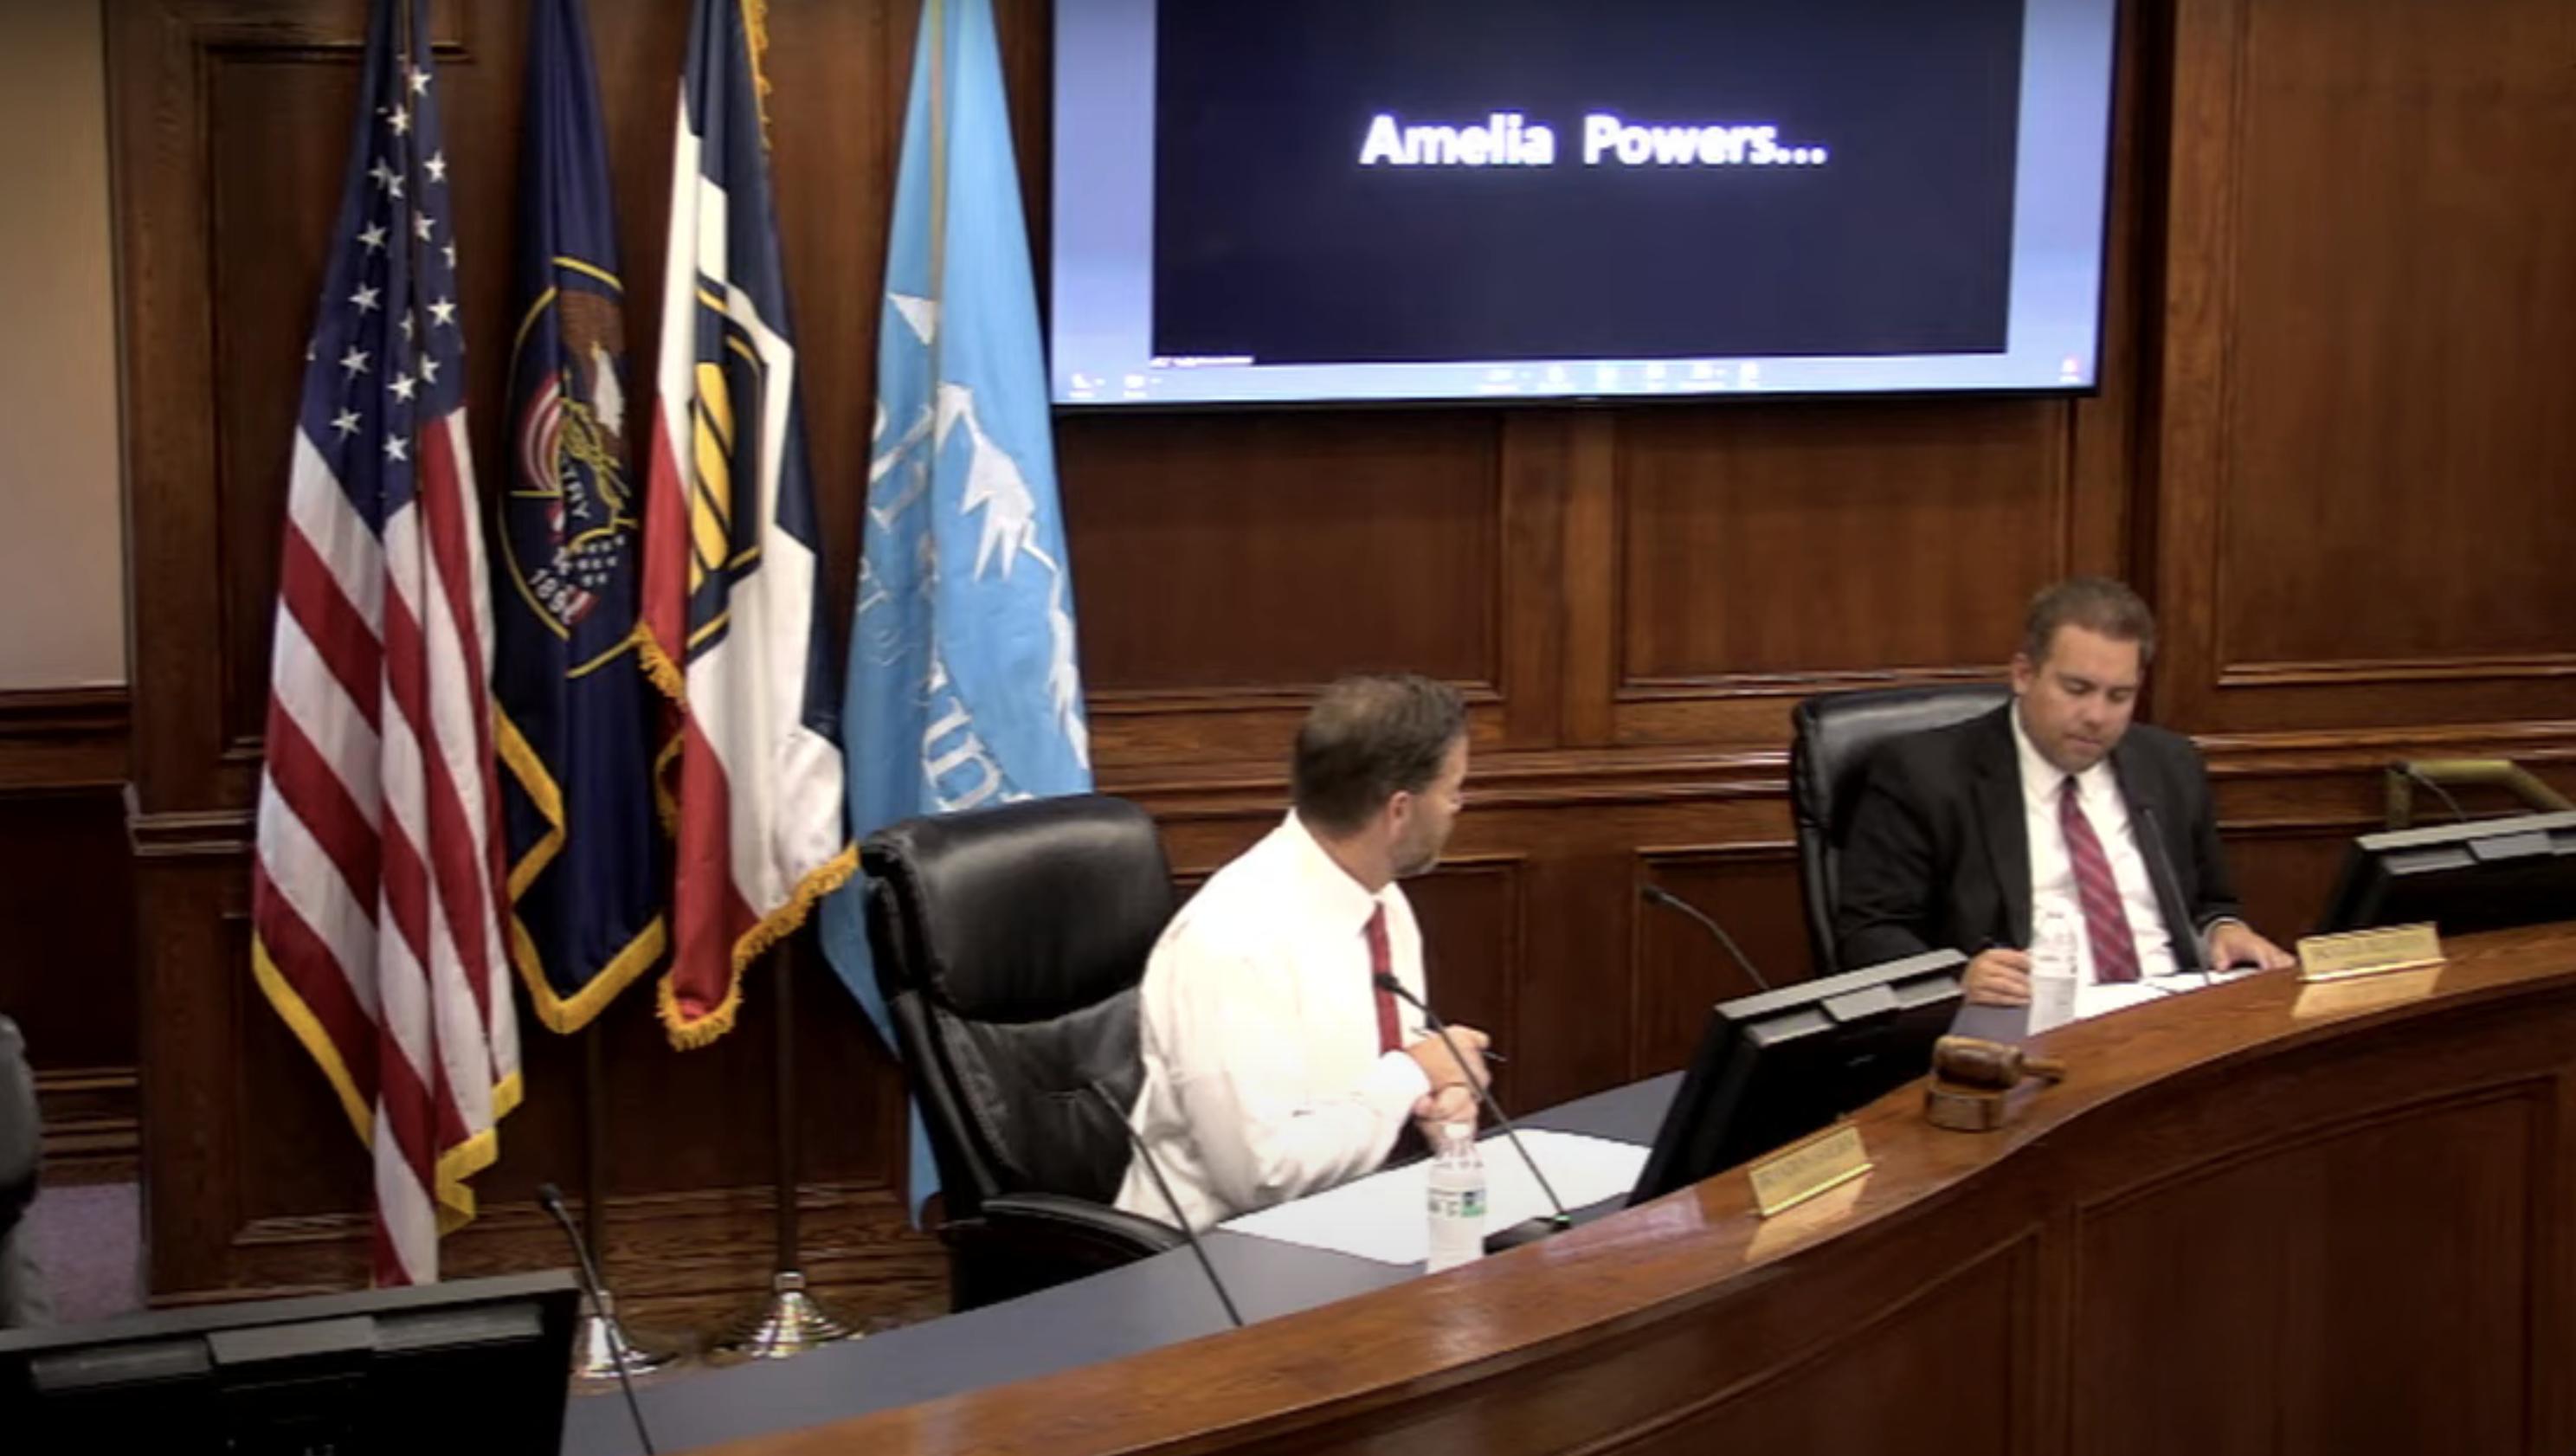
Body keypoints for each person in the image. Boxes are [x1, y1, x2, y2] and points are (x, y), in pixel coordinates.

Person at [1116, 673, 1491, 1231]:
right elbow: (1261, 1176)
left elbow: (1390, 1067)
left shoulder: (1381, 901)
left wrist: (1441, 1097)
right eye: (1454, 791)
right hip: (1217, 1254)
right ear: (1399, 811)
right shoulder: (1233, 941)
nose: (1458, 808)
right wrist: (1411, 1075)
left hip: (1358, 1218)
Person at [1835, 577, 2295, 1013]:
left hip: (2173, 1015)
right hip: (2029, 1023)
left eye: (2119, 696)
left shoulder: (2170, 764)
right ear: (2023, 674)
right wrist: (1958, 979)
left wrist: (2225, 931)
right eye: (2077, 689)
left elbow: (2213, 904)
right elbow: (1870, 932)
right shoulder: (1927, 774)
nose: (2096, 716)